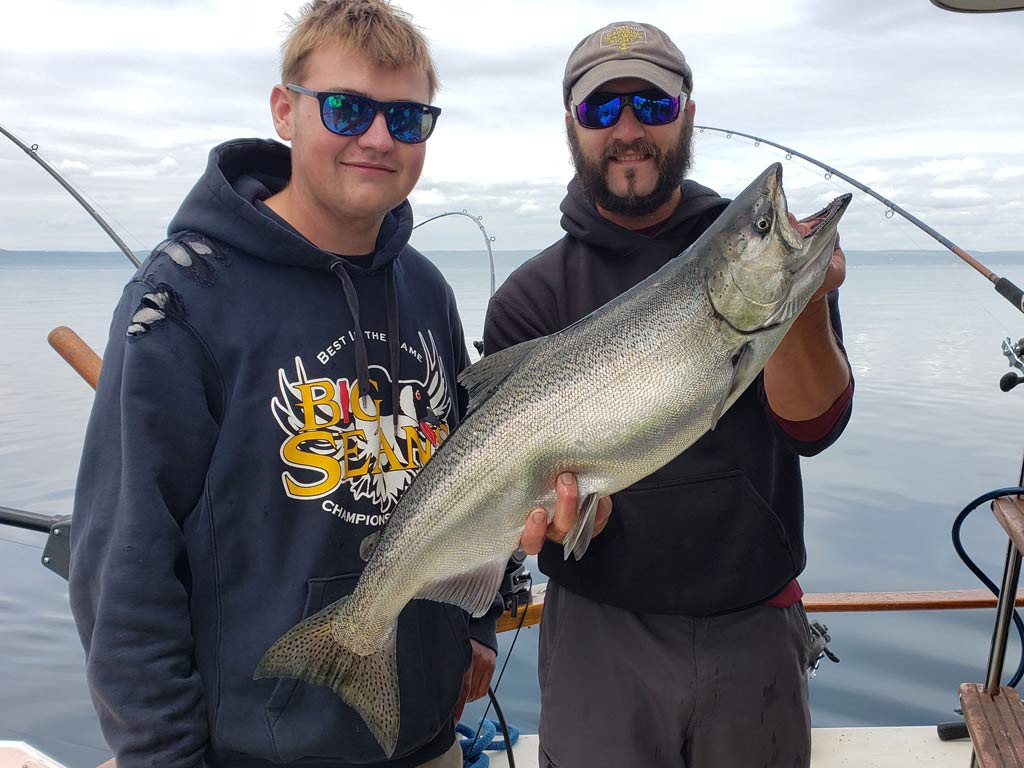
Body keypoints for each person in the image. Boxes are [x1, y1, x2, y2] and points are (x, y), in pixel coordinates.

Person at [68, 2, 592, 766]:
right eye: (347, 108)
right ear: (286, 111)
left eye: (407, 118)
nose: (378, 138)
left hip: (427, 740)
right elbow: (124, 572)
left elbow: (477, 478)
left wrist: (471, 629)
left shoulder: (425, 290)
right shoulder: (183, 301)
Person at [483, 21, 854, 768]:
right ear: (571, 126)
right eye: (601, 111)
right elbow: (534, 508)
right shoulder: (532, 297)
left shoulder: (749, 249)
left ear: (686, 112)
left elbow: (813, 427)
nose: (627, 131)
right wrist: (566, 515)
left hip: (754, 626)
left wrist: (805, 299)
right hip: (598, 634)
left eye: (651, 107)